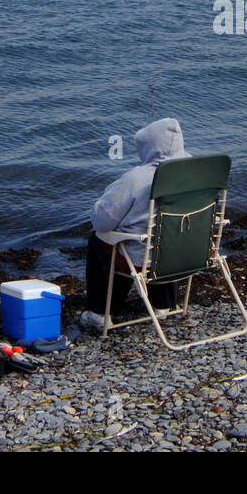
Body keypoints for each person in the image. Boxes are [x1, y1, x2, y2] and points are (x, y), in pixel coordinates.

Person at [81, 118, 189, 333]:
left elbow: (102, 220)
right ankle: (163, 305)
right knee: (170, 234)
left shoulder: (136, 179)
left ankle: (100, 313)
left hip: (143, 259)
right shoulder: (198, 172)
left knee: (99, 240)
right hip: (188, 254)